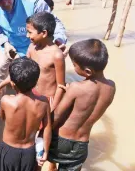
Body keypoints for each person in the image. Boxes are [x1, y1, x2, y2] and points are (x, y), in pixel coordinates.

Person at [0, 0, 67, 125]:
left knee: (34, 80)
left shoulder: (33, 2)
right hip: (9, 44)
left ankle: (30, 109)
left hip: (32, 45)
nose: (3, 3)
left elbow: (53, 21)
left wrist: (59, 38)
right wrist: (5, 42)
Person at [48, 39, 116, 171]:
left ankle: (52, 166)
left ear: (88, 71)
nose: (73, 68)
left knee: (45, 160)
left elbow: (56, 116)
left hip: (61, 140)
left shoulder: (75, 88)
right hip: (82, 144)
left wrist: (44, 132)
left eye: (74, 65)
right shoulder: (111, 87)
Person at [0, 57, 52, 171]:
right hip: (30, 152)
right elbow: (47, 128)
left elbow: (3, 118)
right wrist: (45, 151)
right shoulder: (43, 102)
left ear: (12, 83)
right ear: (36, 82)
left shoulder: (6, 101)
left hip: (9, 150)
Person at [26, 12, 65, 110]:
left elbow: (61, 86)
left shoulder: (57, 55)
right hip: (32, 94)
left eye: (30, 32)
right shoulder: (31, 47)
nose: (27, 35)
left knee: (45, 125)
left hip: (48, 100)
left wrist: (53, 109)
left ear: (44, 33)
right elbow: (24, 69)